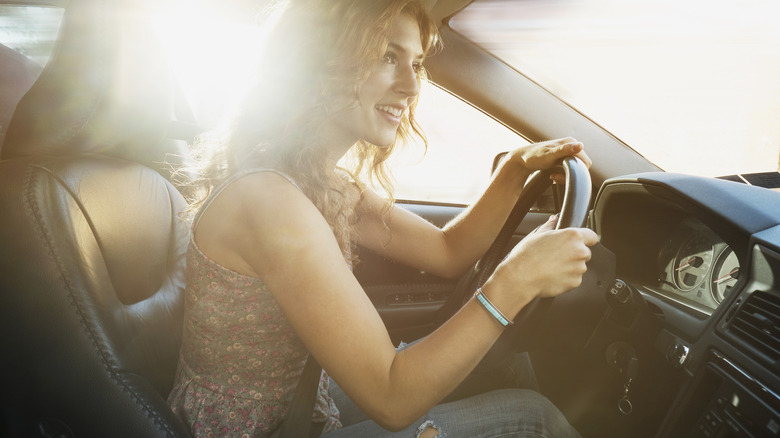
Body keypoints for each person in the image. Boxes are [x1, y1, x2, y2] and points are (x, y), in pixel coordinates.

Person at [167, 0, 598, 436]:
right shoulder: (269, 203)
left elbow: (447, 252)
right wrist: (517, 280)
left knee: (507, 366)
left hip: (297, 400)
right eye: (388, 57)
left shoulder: (316, 181)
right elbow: (393, 399)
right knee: (533, 421)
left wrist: (515, 170)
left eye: (416, 63)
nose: (412, 87)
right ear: (318, 61)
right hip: (258, 429)